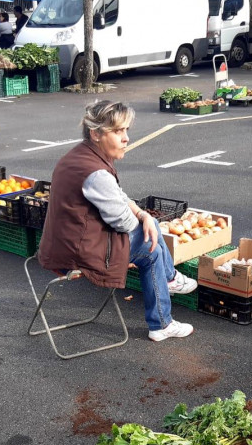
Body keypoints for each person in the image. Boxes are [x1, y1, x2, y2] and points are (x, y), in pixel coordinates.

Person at [38, 101, 198, 342]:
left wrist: (144, 215)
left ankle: (170, 280)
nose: (126, 138)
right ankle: (162, 320)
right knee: (151, 248)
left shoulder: (83, 156)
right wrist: (147, 226)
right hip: (77, 252)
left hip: (65, 242)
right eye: (118, 131)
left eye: (126, 130)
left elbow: (119, 197)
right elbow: (122, 222)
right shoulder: (95, 172)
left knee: (149, 228)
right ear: (96, 134)